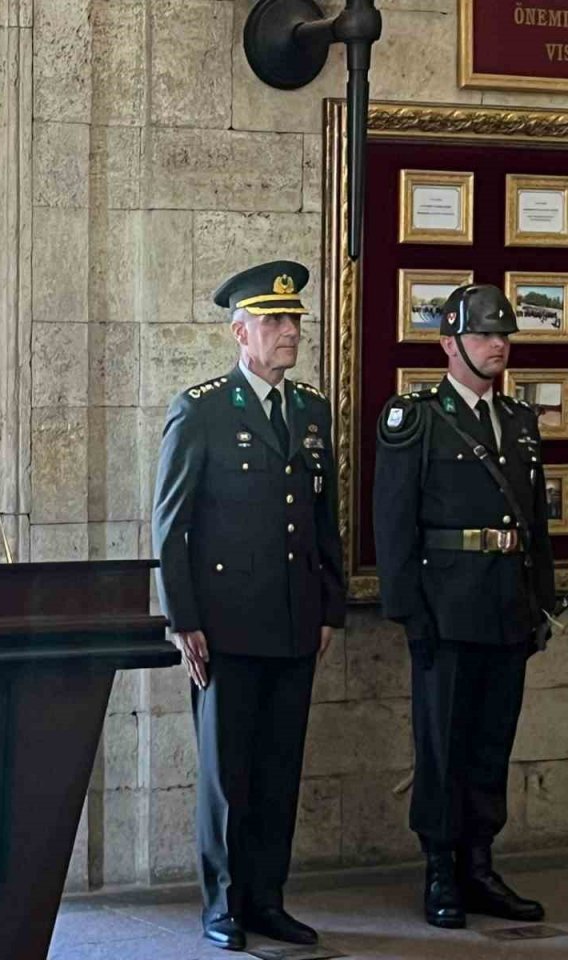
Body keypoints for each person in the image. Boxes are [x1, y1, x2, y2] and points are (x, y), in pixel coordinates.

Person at [151, 261, 345, 952]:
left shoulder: (312, 409)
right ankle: (226, 906)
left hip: (295, 619)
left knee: (277, 772)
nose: (288, 332)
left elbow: (325, 521)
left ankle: (268, 900)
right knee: (228, 775)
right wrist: (183, 620)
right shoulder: (201, 408)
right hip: (225, 624)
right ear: (240, 330)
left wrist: (330, 608)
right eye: (273, 321)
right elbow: (171, 525)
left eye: (293, 320)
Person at [373, 283, 553, 930]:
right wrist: (409, 613)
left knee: (489, 744)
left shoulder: (520, 421)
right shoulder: (416, 417)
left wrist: (542, 602)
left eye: (504, 334)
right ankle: (441, 870)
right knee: (443, 745)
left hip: (507, 607)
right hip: (445, 611)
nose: (498, 345)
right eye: (483, 335)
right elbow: (392, 524)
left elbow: (532, 522)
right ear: (449, 343)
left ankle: (480, 864)